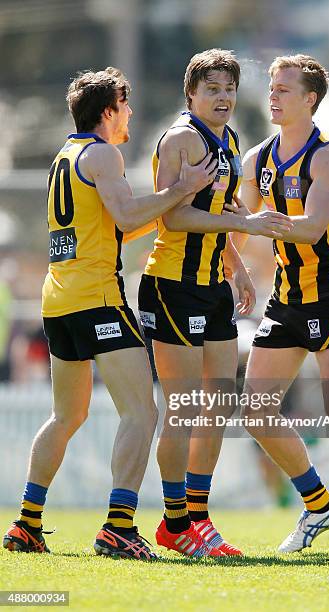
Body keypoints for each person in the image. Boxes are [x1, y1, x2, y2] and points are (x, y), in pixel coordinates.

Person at [3, 66, 218, 559]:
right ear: (107, 112)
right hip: (97, 297)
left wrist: (166, 208)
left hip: (57, 298)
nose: (131, 114)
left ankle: (27, 522)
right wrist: (181, 191)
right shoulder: (103, 153)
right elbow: (125, 215)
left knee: (67, 415)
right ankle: (119, 525)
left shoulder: (68, 154)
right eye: (125, 105)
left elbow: (113, 225)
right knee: (143, 411)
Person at [136, 49, 293, 557]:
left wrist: (238, 266)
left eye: (228, 89)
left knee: (217, 406)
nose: (223, 97)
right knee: (181, 411)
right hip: (171, 285)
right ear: (191, 94)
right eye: (212, 89)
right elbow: (173, 219)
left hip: (212, 286)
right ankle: (175, 521)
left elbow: (222, 212)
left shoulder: (229, 139)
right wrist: (245, 226)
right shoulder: (180, 139)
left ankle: (198, 520)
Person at [230, 54, 329, 558]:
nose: (273, 95)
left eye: (284, 89)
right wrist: (237, 263)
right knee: (254, 410)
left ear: (310, 99)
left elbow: (312, 227)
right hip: (285, 300)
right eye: (272, 87)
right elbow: (237, 224)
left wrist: (252, 220)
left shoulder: (328, 157)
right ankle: (319, 503)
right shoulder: (256, 159)